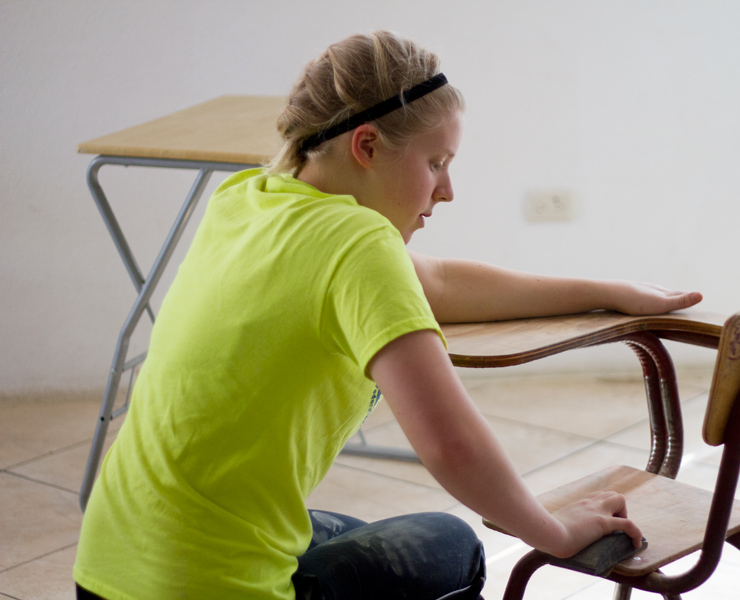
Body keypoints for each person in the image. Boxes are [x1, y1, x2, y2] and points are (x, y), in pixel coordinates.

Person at [74, 30, 702, 600]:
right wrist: (554, 531)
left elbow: (440, 282)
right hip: (206, 590)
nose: (446, 190)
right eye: (436, 163)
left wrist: (606, 290)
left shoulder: (245, 198)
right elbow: (451, 445)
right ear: (367, 145)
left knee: (349, 533)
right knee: (452, 544)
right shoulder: (358, 244)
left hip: (106, 575)